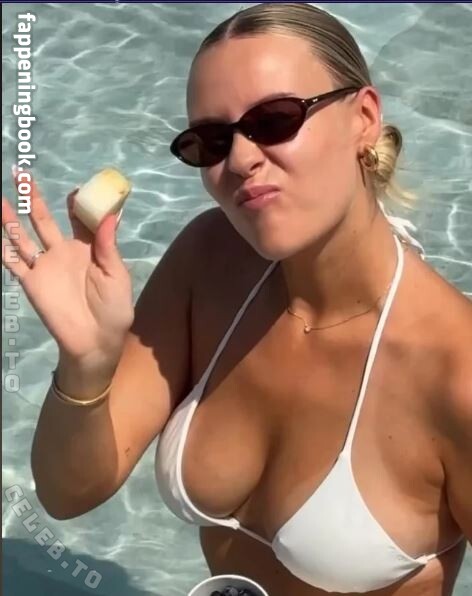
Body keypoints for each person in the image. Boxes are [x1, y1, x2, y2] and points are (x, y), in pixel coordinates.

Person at [2, 3, 471, 595]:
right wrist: (87, 364)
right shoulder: (209, 260)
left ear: (364, 118)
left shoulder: (455, 371)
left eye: (275, 120)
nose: (241, 159)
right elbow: (68, 493)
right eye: (212, 141)